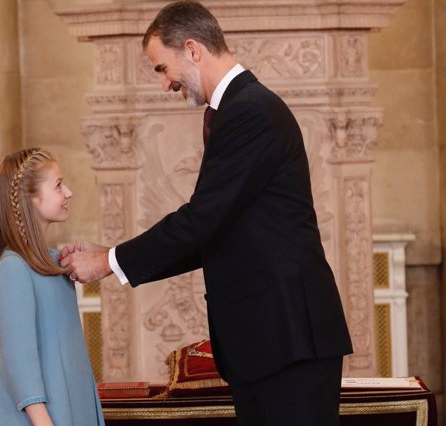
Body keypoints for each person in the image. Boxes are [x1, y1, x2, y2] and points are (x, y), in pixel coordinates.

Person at [60, 1, 353, 425]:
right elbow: (212, 231)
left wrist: (107, 262)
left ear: (193, 49)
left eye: (162, 68)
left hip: (288, 339)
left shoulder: (249, 111)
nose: (164, 85)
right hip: (269, 342)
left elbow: (200, 220)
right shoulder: (238, 108)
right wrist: (113, 254)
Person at [0, 148, 104, 426]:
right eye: (59, 185)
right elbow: (19, 359)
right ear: (31, 199)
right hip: (41, 416)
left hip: (70, 403)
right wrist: (43, 423)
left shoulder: (54, 261)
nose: (69, 192)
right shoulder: (14, 268)